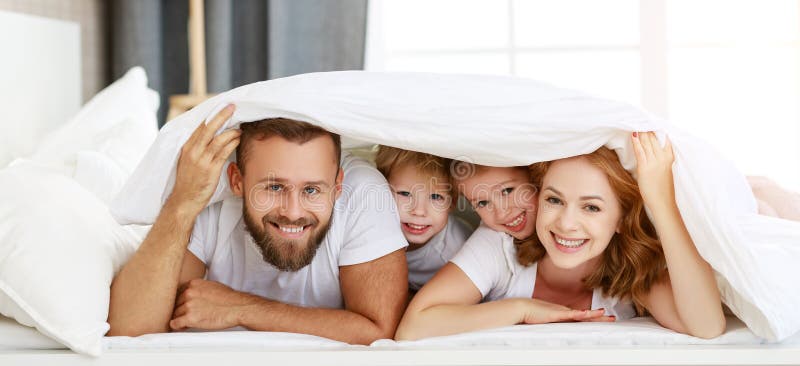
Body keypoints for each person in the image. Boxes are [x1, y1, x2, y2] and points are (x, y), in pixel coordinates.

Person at [108, 105, 409, 345]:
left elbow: (379, 333)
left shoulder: (363, 192)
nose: (292, 212)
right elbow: (130, 331)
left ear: (338, 185)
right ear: (237, 181)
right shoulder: (208, 198)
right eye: (274, 188)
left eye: (312, 190)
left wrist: (242, 307)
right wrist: (182, 202)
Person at [395, 132, 726, 340]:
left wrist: (662, 202)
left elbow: (707, 326)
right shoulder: (498, 243)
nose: (567, 224)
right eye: (554, 200)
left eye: (592, 208)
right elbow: (414, 326)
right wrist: (521, 309)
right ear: (540, 193)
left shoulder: (628, 263)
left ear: (621, 219)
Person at [375, 146, 473, 291]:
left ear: (452, 202)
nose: (419, 211)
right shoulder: (372, 228)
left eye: (435, 197)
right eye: (404, 193)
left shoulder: (456, 252)